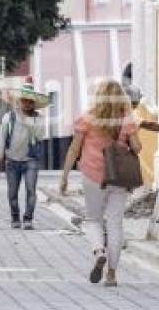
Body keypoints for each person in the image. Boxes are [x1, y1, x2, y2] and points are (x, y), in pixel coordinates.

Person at [59, 79, 141, 287]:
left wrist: (65, 177)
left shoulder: (87, 118)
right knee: (115, 224)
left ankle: (99, 252)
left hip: (92, 175)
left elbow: (74, 149)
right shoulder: (126, 119)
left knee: (94, 219)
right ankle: (112, 274)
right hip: (118, 177)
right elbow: (138, 147)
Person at [0, 82, 47, 230]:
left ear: (34, 103)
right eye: (24, 100)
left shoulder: (38, 119)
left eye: (30, 101)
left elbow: (39, 136)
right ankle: (15, 217)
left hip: (30, 160)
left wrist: (26, 120)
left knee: (31, 190)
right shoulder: (9, 117)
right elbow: (1, 138)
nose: (27, 104)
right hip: (12, 160)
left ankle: (28, 219)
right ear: (19, 101)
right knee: (12, 193)